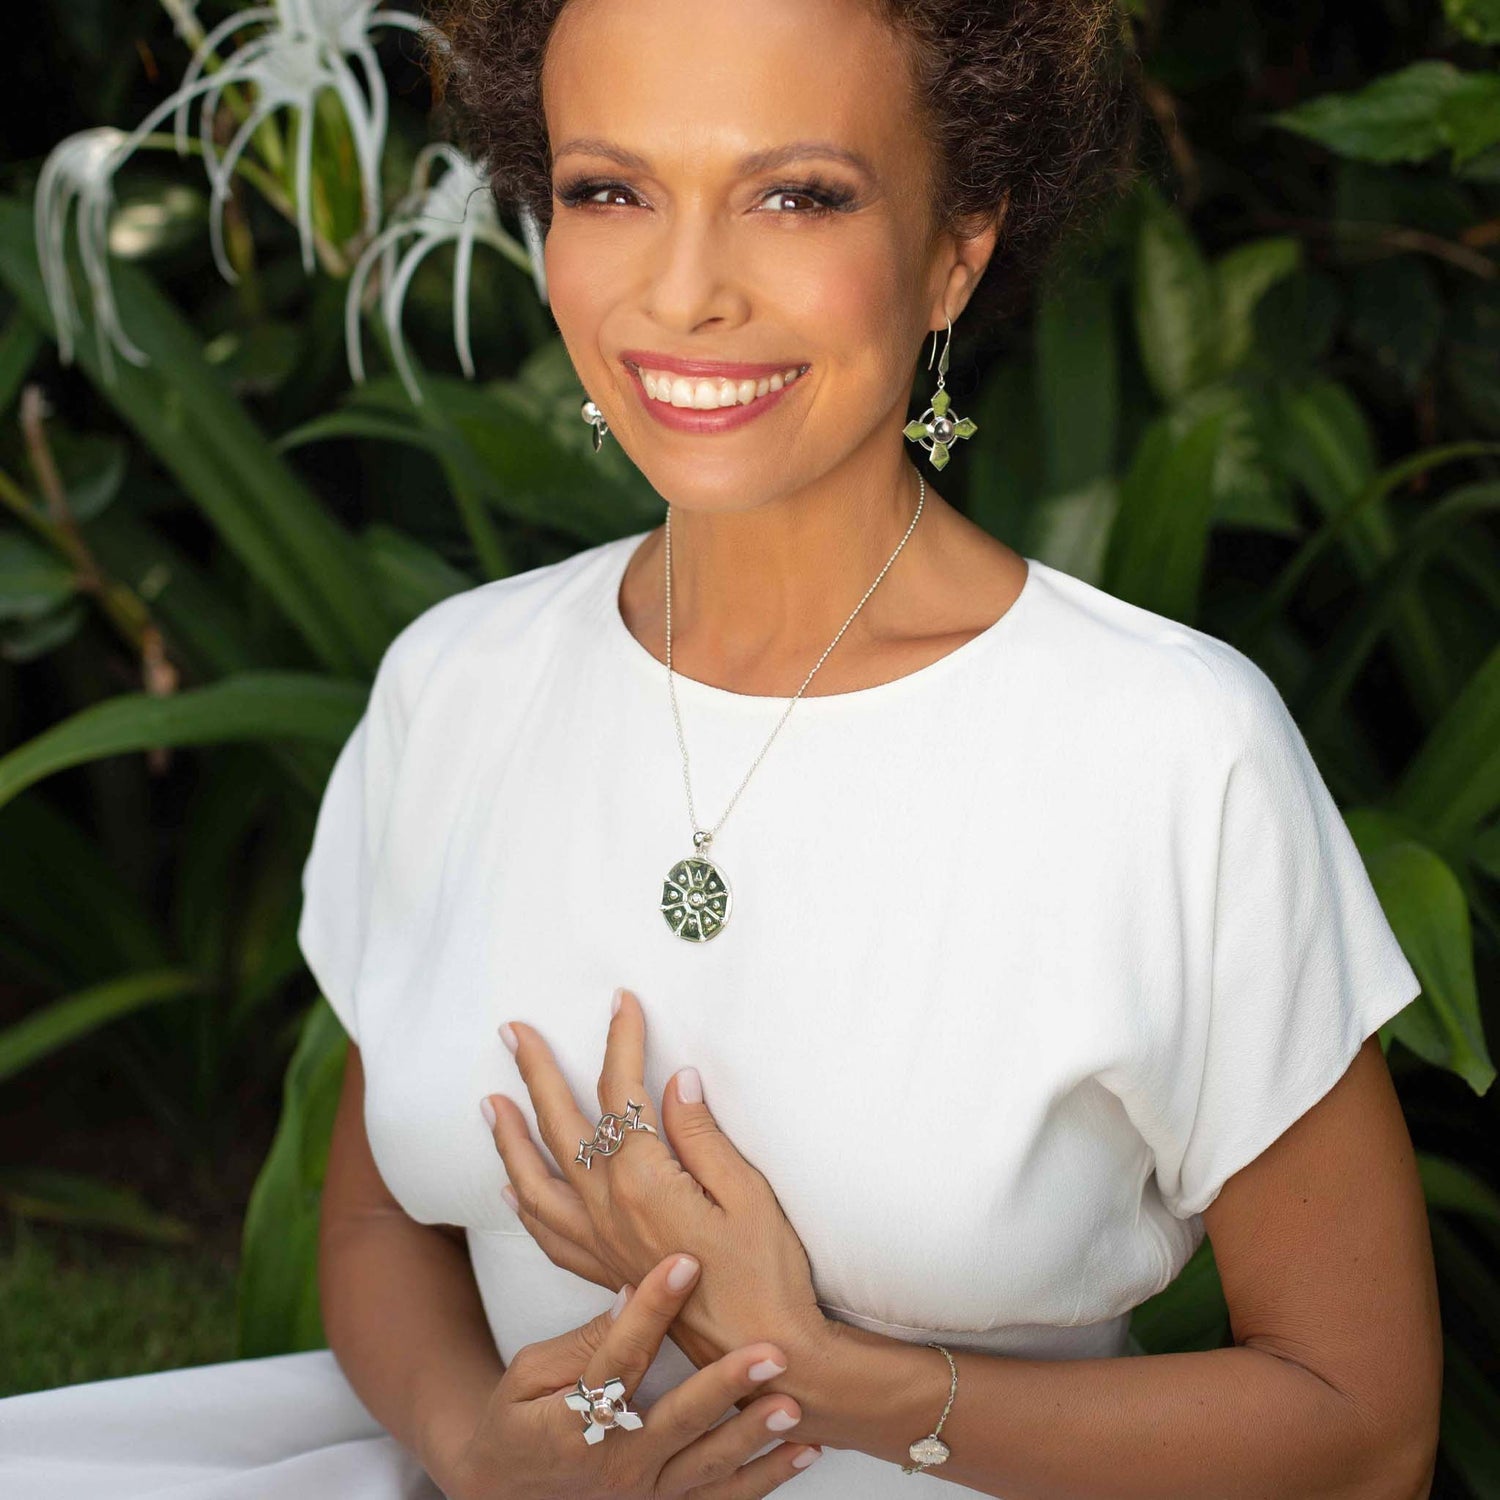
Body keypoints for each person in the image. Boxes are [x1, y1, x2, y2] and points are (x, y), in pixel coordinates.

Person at [0, 0, 1444, 1496]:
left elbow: (1365, 1425)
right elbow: (377, 1224)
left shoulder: (1168, 756)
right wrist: (473, 1451)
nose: (682, 291)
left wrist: (828, 1377)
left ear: (959, 243)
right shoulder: (458, 686)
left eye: (796, 195)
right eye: (608, 191)